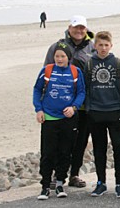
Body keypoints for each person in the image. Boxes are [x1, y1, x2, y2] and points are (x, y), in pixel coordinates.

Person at [43, 15, 95, 189]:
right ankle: (56, 175)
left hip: (83, 104)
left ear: (86, 29)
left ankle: (74, 174)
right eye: (76, 27)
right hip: (60, 104)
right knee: (60, 141)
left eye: (82, 28)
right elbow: (46, 74)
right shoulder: (57, 47)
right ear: (69, 28)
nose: (79, 31)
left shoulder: (92, 47)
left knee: (80, 140)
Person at [33, 43, 85, 200]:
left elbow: (81, 92)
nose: (60, 59)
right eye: (57, 56)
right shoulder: (47, 70)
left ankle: (61, 182)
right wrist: (39, 109)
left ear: (69, 57)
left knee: (65, 152)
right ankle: (45, 186)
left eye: (63, 56)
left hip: (68, 119)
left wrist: (74, 107)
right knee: (48, 153)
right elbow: (37, 89)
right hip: (49, 118)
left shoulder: (76, 72)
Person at [84, 31, 120, 198]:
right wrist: (89, 107)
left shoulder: (117, 63)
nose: (103, 48)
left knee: (119, 149)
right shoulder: (89, 64)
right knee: (99, 150)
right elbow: (86, 88)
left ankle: (119, 184)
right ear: (95, 46)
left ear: (111, 46)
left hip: (115, 113)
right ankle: (101, 183)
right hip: (96, 113)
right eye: (100, 45)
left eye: (106, 45)